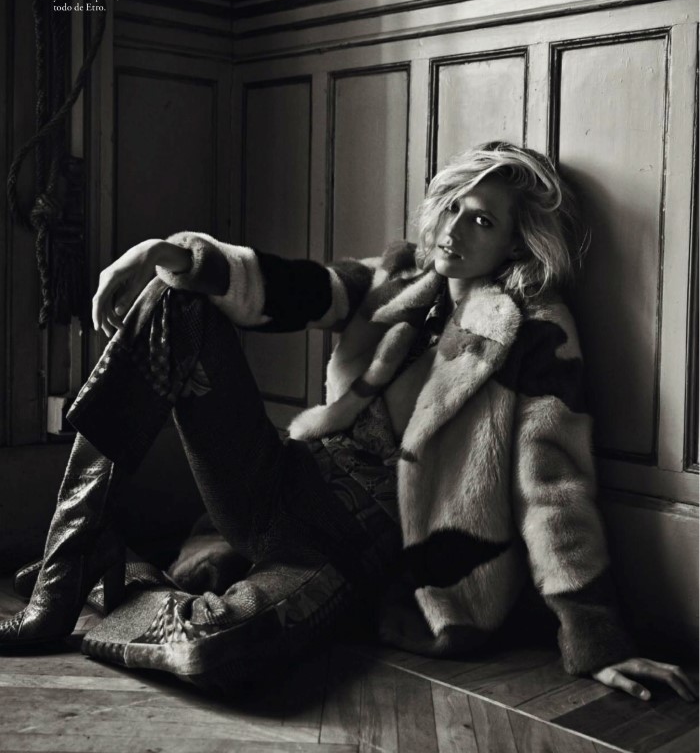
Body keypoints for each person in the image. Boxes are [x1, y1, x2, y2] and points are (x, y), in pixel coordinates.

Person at [0, 142, 694, 703]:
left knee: (214, 650)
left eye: (482, 220)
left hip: (344, 547)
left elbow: (553, 488)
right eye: (452, 206)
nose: (452, 230)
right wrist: (168, 253)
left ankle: (119, 574)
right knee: (178, 295)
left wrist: (598, 638)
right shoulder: (399, 277)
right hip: (275, 478)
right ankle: (64, 572)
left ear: (517, 243)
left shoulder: (535, 332)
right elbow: (294, 287)